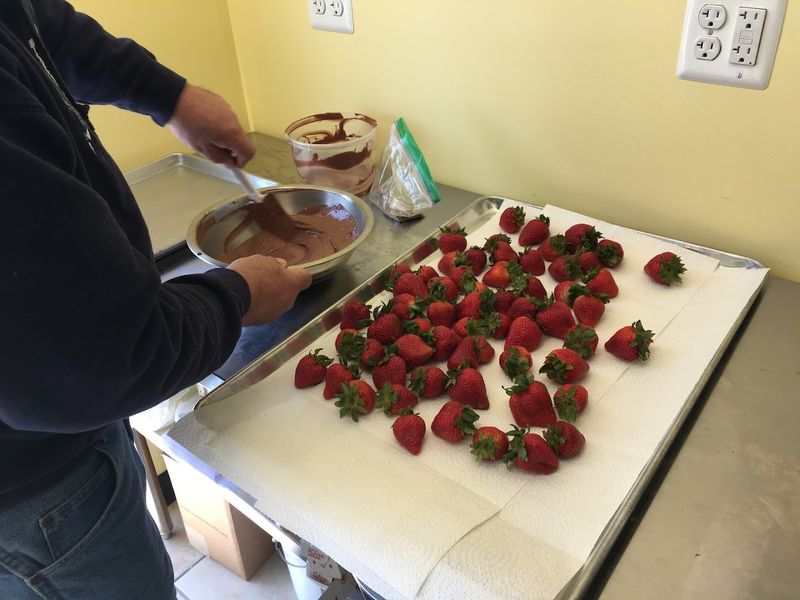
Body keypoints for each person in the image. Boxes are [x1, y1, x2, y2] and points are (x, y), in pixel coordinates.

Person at [0, 1, 312, 598]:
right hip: (31, 500)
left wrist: (167, 95)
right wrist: (237, 295)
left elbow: (37, 24)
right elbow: (104, 358)